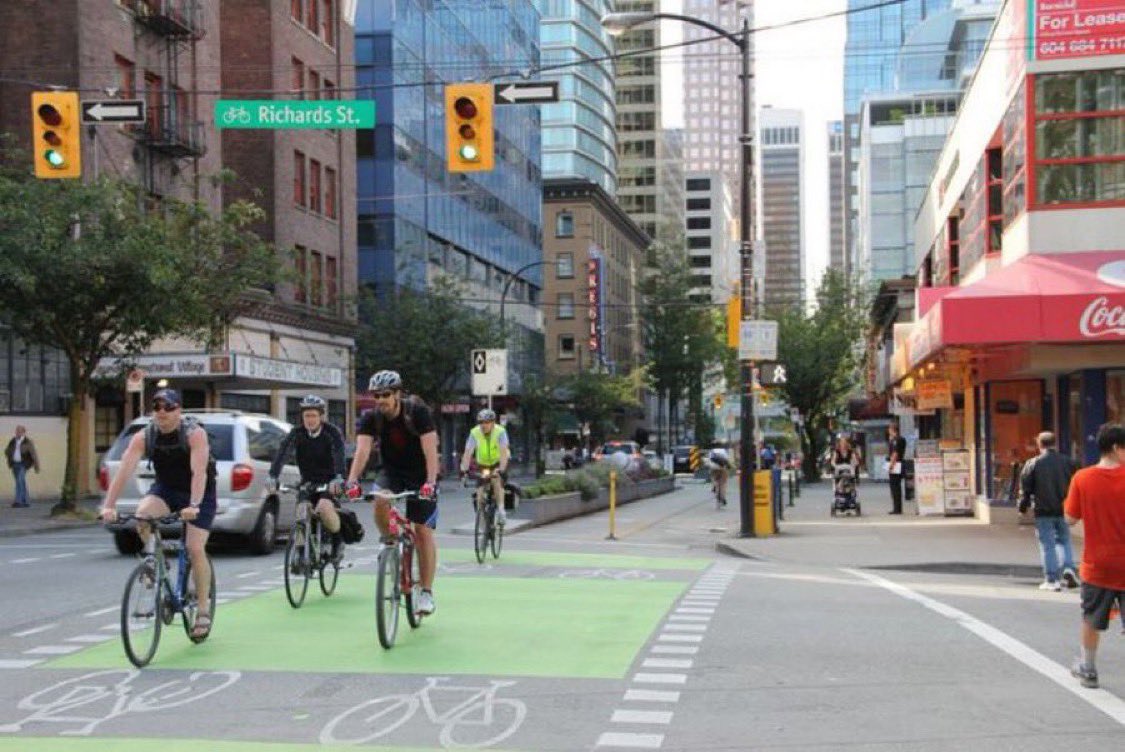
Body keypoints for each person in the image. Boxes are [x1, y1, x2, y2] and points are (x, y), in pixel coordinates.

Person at [100, 389, 215, 639]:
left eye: (168, 407)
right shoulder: (144, 436)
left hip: (199, 493)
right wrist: (108, 506)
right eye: (157, 407)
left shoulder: (194, 434)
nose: (162, 412)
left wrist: (194, 504)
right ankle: (154, 560)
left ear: (179, 410)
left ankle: (203, 610)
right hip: (166, 489)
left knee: (195, 548)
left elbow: (199, 472)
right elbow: (124, 470)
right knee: (143, 514)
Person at [345, 370, 440, 615]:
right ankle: (390, 544)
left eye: (385, 395)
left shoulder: (417, 412)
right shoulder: (372, 418)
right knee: (379, 500)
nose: (380, 400)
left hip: (421, 474)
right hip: (392, 472)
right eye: (376, 396)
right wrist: (352, 481)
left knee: (422, 531)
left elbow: (430, 449)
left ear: (397, 394)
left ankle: (426, 592)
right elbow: (362, 451)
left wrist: (430, 482)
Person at [1064, 423, 1125, 689]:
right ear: (1116, 448)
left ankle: (1088, 668)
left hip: (1098, 564)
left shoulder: (1082, 478)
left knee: (1091, 618)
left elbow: (1070, 518)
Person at [268, 395, 347, 562]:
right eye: (306, 416)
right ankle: (300, 550)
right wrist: (273, 475)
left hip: (330, 482)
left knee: (324, 508)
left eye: (313, 416)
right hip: (308, 482)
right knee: (301, 511)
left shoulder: (332, 433)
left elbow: (339, 454)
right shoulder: (297, 433)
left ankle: (337, 540)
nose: (310, 420)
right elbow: (283, 453)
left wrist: (339, 477)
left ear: (321, 417)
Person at [1019, 431, 1079, 591]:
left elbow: (1026, 488)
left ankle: (1052, 579)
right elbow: (1076, 484)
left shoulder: (1033, 463)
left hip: (1043, 510)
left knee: (1048, 545)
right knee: (1064, 540)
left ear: (1039, 444)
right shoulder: (1068, 462)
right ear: (1055, 443)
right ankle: (1068, 568)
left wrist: (1023, 506)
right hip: (1064, 508)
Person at [459, 408, 510, 526]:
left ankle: (501, 511)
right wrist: (464, 470)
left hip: (498, 462)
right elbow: (468, 452)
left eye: (486, 422)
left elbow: (503, 451)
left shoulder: (500, 432)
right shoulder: (474, 432)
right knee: (480, 492)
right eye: (481, 422)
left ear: (493, 423)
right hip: (482, 463)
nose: (483, 425)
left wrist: (501, 469)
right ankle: (481, 517)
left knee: (496, 481)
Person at [4, 425, 40, 508]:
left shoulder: (27, 442)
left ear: (23, 432)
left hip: (23, 464)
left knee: (19, 481)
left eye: (19, 431)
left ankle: (18, 501)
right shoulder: (13, 441)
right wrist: (8, 452)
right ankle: (26, 501)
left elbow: (33, 454)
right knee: (21, 481)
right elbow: (7, 450)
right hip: (14, 464)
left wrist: (36, 466)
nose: (17, 433)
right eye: (17, 431)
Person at [886, 423, 907, 514]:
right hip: (900, 463)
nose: (888, 431)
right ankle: (898, 508)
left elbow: (895, 453)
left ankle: (896, 509)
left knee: (894, 487)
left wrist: (891, 465)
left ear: (892, 429)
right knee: (897, 486)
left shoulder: (895, 440)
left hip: (896, 465)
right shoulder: (901, 439)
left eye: (889, 429)